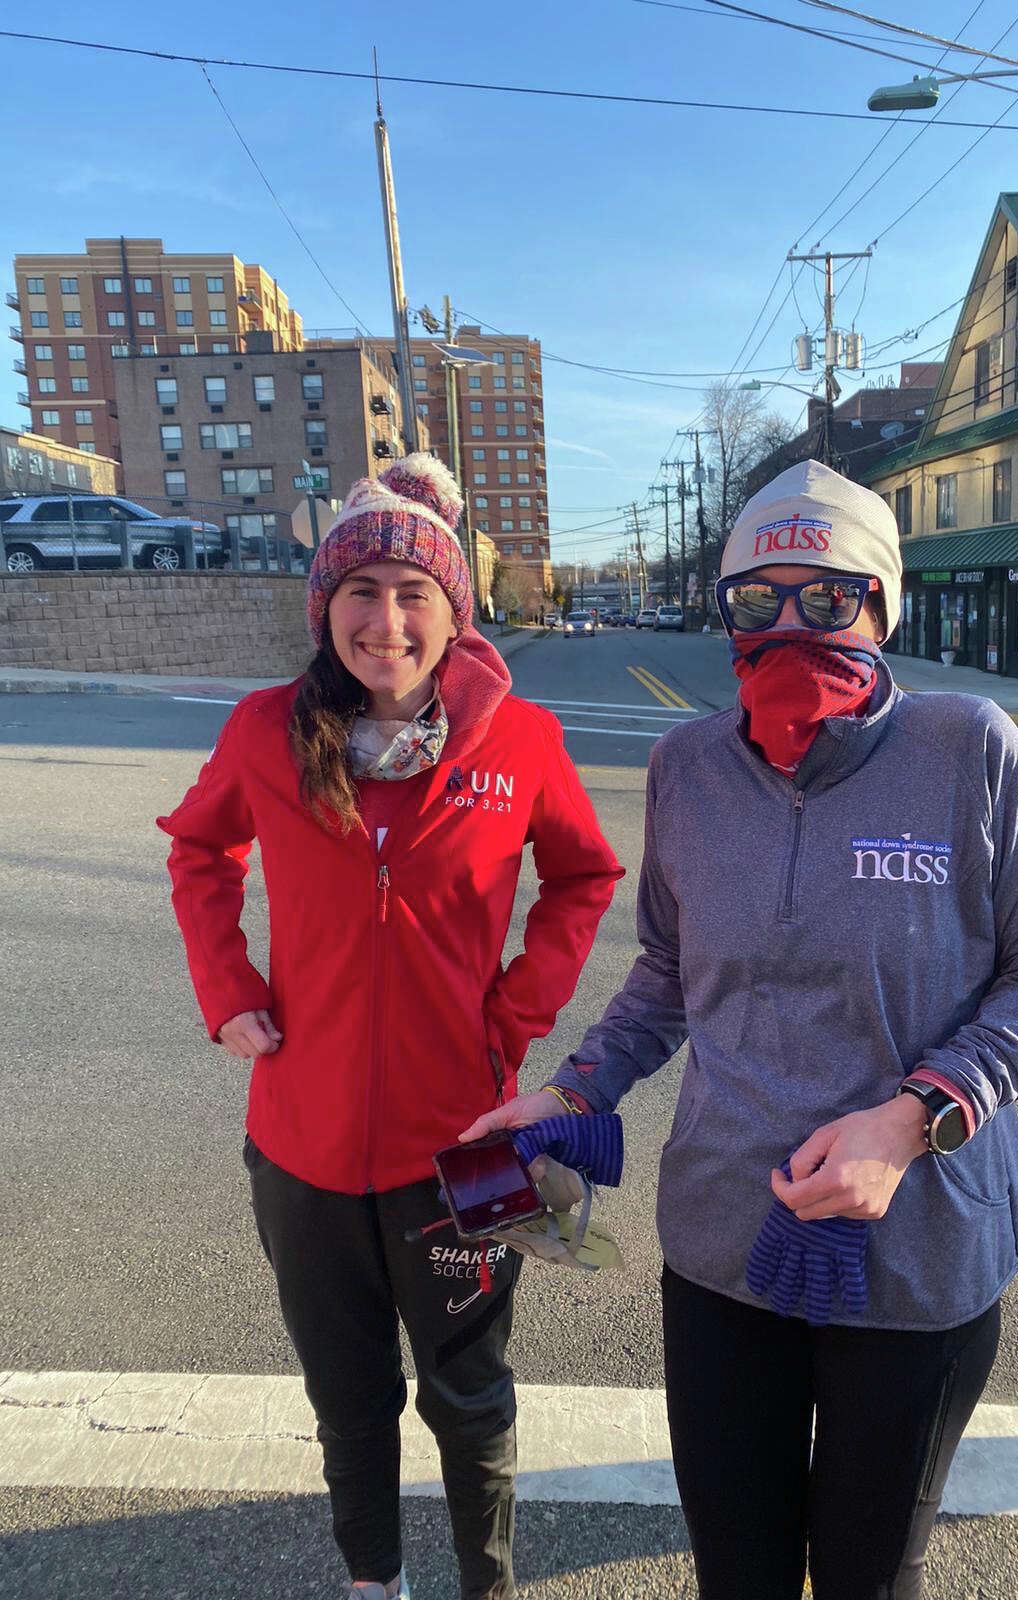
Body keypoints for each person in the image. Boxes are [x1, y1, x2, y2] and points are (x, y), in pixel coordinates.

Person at [462, 459, 1018, 1600]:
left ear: (883, 604)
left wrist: (911, 1122)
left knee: (866, 1578)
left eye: (831, 594)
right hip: (722, 1238)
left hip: (920, 1250)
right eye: (759, 601)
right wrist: (574, 1094)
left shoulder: (970, 749)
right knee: (738, 1575)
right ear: (726, 616)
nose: (794, 623)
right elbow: (669, 967)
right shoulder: (686, 766)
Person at [159, 453, 622, 1600]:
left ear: (451, 610)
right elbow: (199, 850)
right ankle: (374, 1581)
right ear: (327, 610)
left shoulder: (519, 744)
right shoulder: (269, 729)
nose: (386, 619)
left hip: (471, 1141)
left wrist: (510, 1016)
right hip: (302, 1143)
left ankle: (488, 1584)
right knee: (347, 1395)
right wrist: (228, 991)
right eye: (359, 592)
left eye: (413, 593)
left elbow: (583, 877)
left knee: (471, 1394)